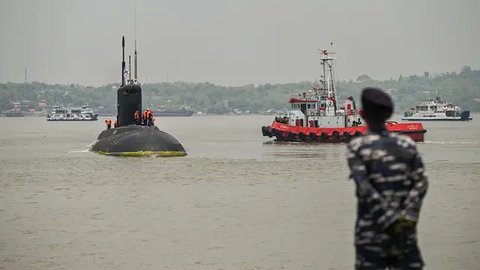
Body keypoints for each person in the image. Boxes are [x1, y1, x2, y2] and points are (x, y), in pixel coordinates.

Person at [346, 87, 428, 269]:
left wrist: (388, 219)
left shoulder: (357, 147)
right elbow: (421, 183)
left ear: (362, 114)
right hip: (405, 233)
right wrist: (407, 217)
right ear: (388, 114)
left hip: (371, 233)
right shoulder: (407, 144)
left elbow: (364, 188)